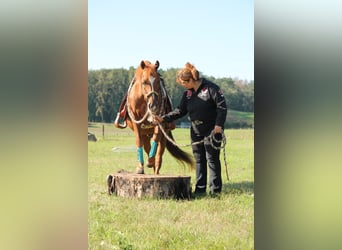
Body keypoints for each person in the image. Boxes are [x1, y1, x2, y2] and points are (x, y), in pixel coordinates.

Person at [154, 62, 227, 195]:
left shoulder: (211, 88)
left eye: (184, 82)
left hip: (212, 130)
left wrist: (219, 125)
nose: (183, 85)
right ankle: (200, 190)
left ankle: (215, 191)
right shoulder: (187, 94)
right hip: (195, 130)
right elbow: (180, 111)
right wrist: (163, 118)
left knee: (212, 159)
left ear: (191, 80)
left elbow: (222, 108)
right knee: (199, 160)